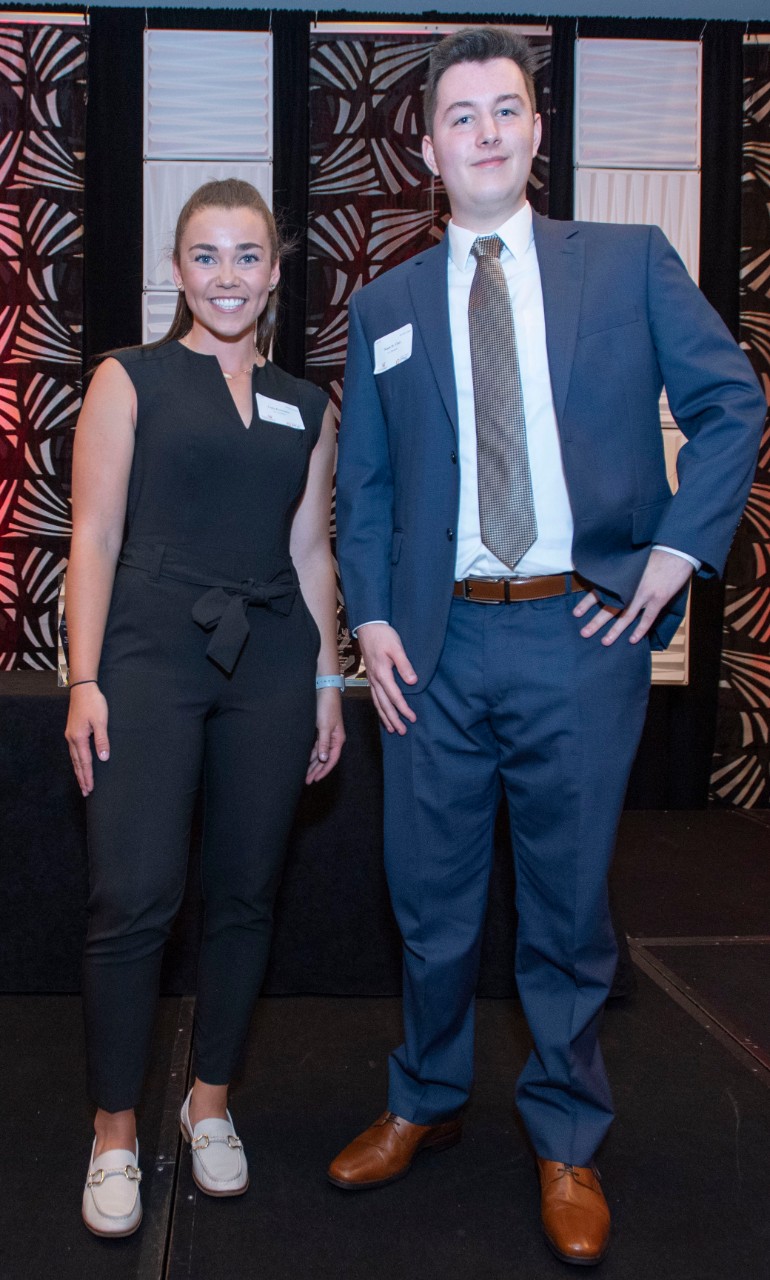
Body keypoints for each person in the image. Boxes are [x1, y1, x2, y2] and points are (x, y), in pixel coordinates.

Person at [331, 27, 764, 1266]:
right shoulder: (386, 304)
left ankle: (566, 1136)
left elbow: (732, 401)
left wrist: (675, 556)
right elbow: (363, 490)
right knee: (428, 901)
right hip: (432, 647)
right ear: (426, 145)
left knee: (567, 911)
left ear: (533, 131)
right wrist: (365, 617)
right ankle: (424, 1094)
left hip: (578, 634)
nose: (481, 132)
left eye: (502, 110)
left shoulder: (623, 264)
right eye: (457, 114)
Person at [66, 178, 344, 1238]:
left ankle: (210, 1100)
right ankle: (115, 1127)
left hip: (271, 657)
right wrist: (83, 677)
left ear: (274, 273)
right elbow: (90, 535)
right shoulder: (127, 379)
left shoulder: (308, 403)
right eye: (205, 255)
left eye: (246, 256)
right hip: (147, 649)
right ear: (176, 271)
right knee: (133, 897)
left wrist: (326, 677)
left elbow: (309, 548)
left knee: (245, 892)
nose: (226, 276)